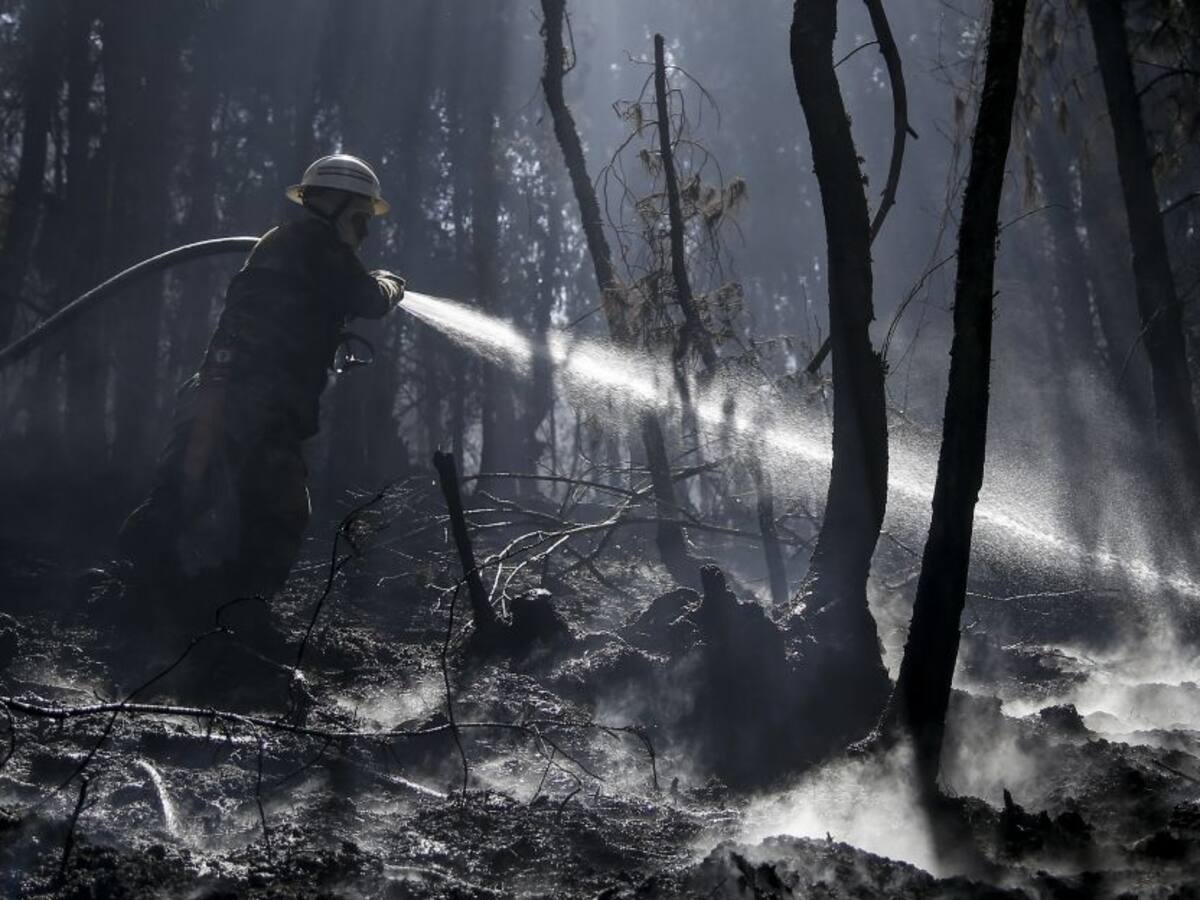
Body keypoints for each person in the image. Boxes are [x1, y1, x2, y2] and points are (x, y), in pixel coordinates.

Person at [116, 154, 405, 634]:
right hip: (253, 406)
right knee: (278, 514)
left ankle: (160, 602)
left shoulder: (291, 246)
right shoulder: (314, 243)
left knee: (184, 497)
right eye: (361, 217)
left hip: (219, 396)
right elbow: (369, 300)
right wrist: (392, 283)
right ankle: (233, 615)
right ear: (332, 205)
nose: (366, 233)